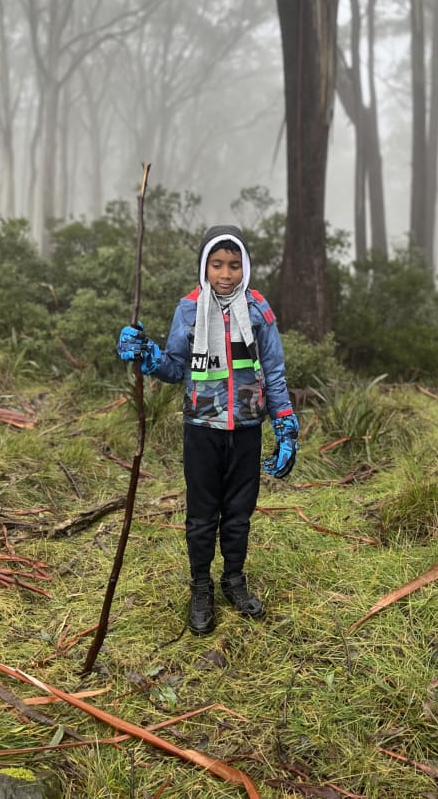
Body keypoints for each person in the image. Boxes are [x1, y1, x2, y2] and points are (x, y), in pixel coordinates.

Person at [117, 224, 299, 635]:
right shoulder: (188, 308)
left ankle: (233, 579)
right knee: (202, 515)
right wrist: (146, 353)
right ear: (204, 266)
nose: (226, 274)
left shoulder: (259, 309)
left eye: (234, 265)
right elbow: (175, 367)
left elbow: (273, 369)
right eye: (217, 264)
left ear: (245, 267)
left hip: (248, 425)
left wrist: (286, 423)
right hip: (201, 426)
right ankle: (200, 586)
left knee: (239, 512)